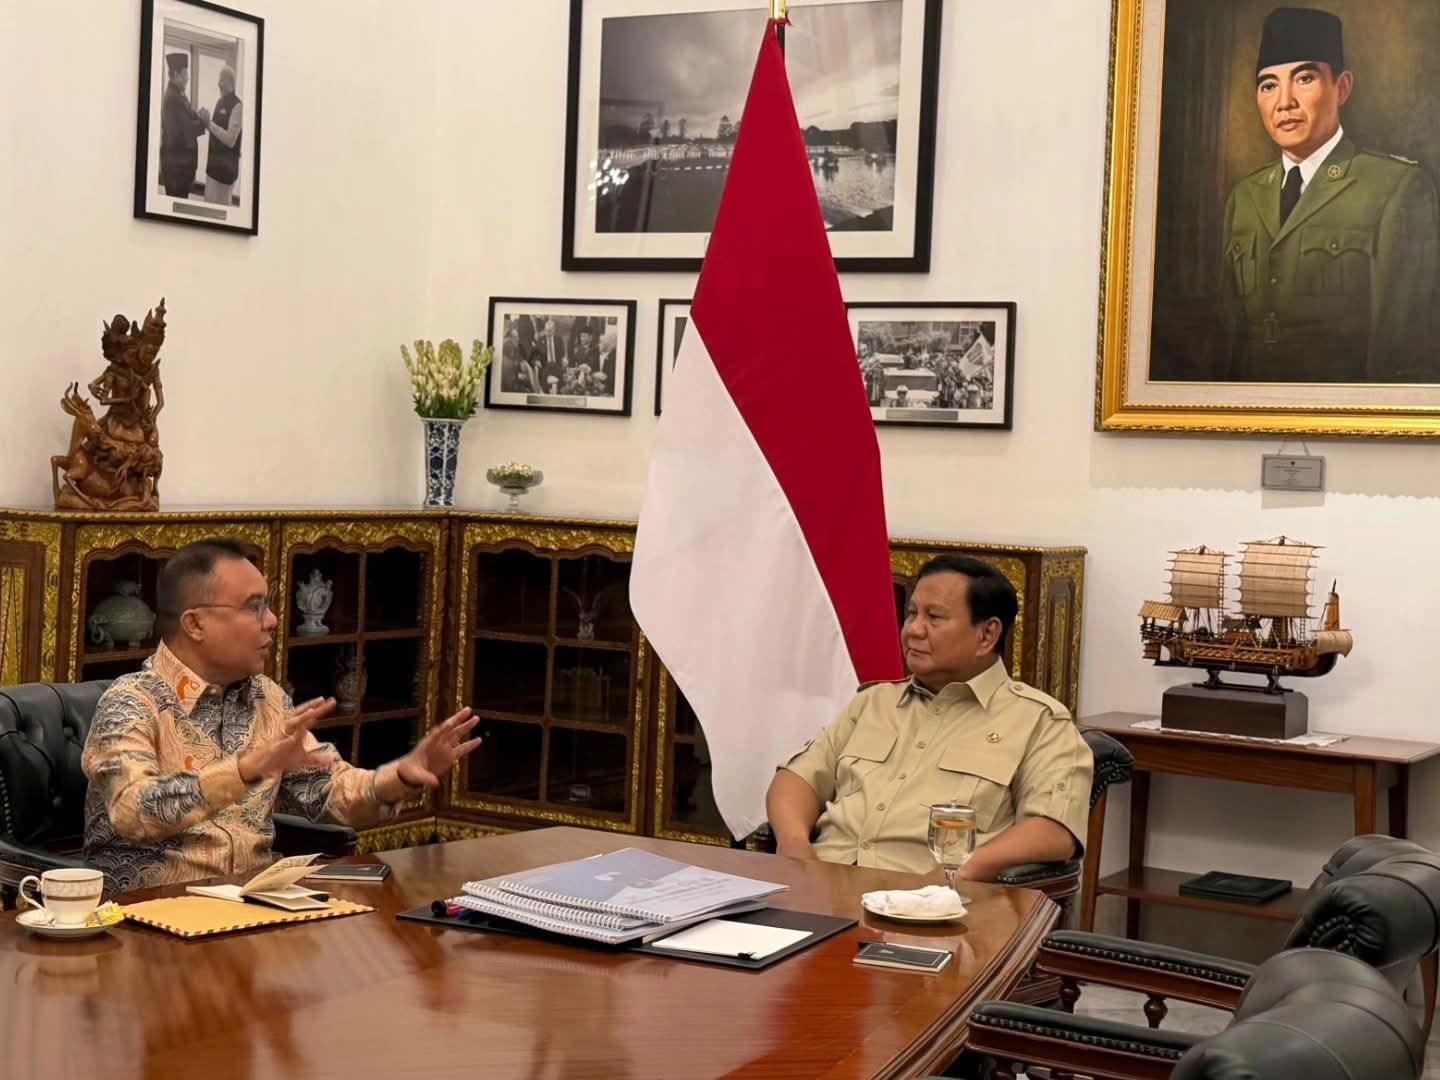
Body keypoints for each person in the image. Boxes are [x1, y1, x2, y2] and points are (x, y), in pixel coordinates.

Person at [81, 539, 483, 891]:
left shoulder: (267, 699)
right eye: (254, 607)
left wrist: (402, 777)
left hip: (251, 910)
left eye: (268, 605)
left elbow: (328, 792)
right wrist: (243, 770)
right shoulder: (132, 702)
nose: (272, 620)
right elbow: (132, 811)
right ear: (195, 623)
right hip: (148, 919)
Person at [765, 555, 1092, 879]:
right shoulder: (874, 702)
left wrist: (965, 870)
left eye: (934, 617)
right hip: (822, 888)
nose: (913, 630)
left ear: (987, 635)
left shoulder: (1038, 721)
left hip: (931, 899)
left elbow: (1054, 830)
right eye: (912, 614)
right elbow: (798, 778)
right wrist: (795, 846)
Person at [1220, 6, 1440, 383]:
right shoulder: (1244, 197)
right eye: (1268, 85)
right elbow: (1230, 338)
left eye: (1304, 78)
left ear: (1342, 88)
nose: (1284, 102)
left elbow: (1400, 348)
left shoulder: (1396, 188)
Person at [159, 53, 209, 198]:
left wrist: (199, 115)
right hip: (176, 168)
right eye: (185, 74)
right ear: (175, 75)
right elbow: (189, 130)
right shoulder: (173, 98)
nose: (187, 78)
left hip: (181, 167)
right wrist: (204, 121)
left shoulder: (179, 94)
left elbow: (190, 114)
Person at [203, 65, 243, 206]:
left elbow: (230, 140)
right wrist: (204, 121)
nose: (218, 84)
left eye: (221, 80)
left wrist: (209, 123)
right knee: (208, 205)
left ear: (230, 82)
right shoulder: (219, 102)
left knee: (221, 210)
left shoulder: (238, 106)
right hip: (212, 168)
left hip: (225, 173)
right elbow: (215, 130)